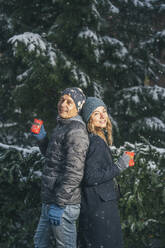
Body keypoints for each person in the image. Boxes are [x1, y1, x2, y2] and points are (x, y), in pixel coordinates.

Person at [32, 87, 89, 248]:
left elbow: (74, 173)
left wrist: (59, 204)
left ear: (78, 107)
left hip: (63, 204)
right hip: (50, 199)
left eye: (69, 102)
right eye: (62, 100)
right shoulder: (63, 125)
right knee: (40, 242)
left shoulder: (76, 131)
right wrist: (42, 139)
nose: (63, 104)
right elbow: (54, 160)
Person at [78, 97, 130, 248]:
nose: (102, 116)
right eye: (96, 113)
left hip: (97, 205)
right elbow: (90, 177)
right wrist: (119, 166)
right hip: (98, 207)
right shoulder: (96, 142)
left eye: (104, 111)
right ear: (89, 119)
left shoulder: (96, 138)